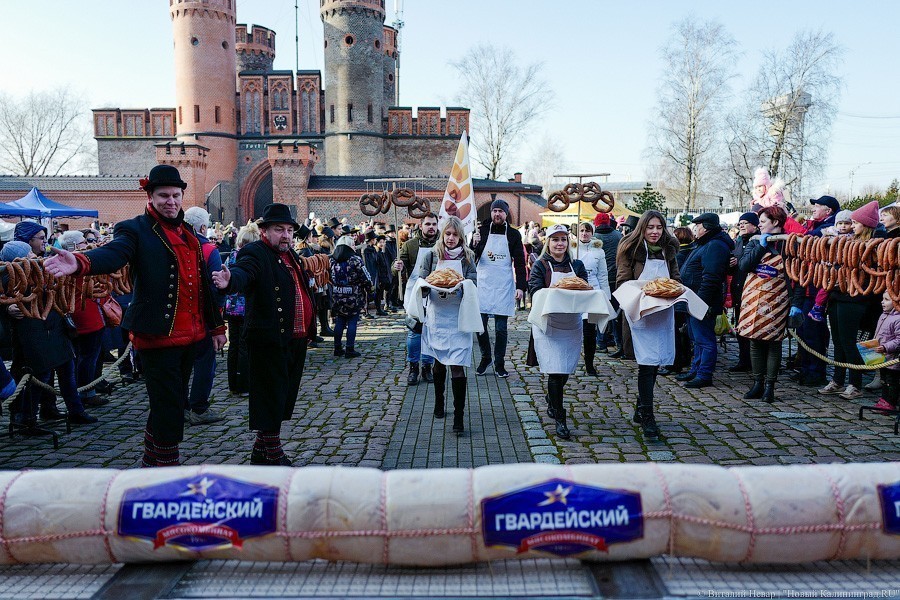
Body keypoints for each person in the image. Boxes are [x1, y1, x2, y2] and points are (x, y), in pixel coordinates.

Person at [44, 164, 227, 467]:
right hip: (157, 335)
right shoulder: (135, 229)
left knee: (172, 402)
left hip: (191, 335)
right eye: (164, 195)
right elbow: (115, 253)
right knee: (169, 407)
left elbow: (203, 287)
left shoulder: (191, 236)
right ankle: (165, 465)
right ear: (150, 196)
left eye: (176, 195)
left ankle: (152, 461)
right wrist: (80, 262)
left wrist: (217, 327)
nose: (171, 201)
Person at [211, 203, 315, 466]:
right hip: (269, 338)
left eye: (289, 230)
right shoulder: (256, 252)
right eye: (279, 229)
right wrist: (230, 281)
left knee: (283, 396)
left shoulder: (291, 255)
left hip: (295, 338)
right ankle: (273, 452)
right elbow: (244, 271)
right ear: (264, 231)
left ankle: (260, 451)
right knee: (270, 397)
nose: (286, 235)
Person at [615, 211, 681, 440]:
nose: (655, 232)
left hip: (662, 313)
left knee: (654, 363)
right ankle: (647, 416)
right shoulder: (630, 249)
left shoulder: (669, 249)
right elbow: (622, 282)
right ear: (642, 228)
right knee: (646, 363)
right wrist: (644, 292)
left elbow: (676, 278)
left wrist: (675, 290)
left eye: (659, 227)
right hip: (640, 313)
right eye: (650, 227)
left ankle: (640, 407)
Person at [527, 224, 589, 439]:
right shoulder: (541, 265)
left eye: (563, 239)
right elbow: (534, 290)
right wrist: (554, 292)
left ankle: (552, 398)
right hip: (548, 324)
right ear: (548, 242)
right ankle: (560, 418)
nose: (560, 243)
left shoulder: (577, 265)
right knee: (555, 370)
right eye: (555, 239)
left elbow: (585, 288)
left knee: (565, 369)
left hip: (571, 324)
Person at [736, 206, 804, 403]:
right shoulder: (754, 241)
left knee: (774, 342)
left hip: (778, 299)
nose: (759, 225)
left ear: (775, 222)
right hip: (753, 299)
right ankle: (757, 383)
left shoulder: (790, 244)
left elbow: (799, 277)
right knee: (754, 340)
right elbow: (744, 265)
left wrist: (796, 303)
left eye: (763, 221)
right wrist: (761, 246)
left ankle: (769, 387)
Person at [418, 216, 478, 434]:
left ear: (461, 237)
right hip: (437, 318)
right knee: (439, 362)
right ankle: (439, 400)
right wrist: (428, 285)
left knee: (457, 365)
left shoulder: (468, 257)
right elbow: (421, 283)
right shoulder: (431, 256)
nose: (451, 238)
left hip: (459, 318)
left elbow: (474, 283)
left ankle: (459, 415)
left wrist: (462, 286)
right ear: (442, 235)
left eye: (455, 235)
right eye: (448, 234)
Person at [818, 201, 882, 400]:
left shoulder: (875, 245)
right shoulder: (847, 242)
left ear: (866, 224)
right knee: (838, 341)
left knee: (849, 342)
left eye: (855, 223)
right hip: (837, 296)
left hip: (856, 300)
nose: (852, 226)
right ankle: (837, 380)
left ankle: (855, 384)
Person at [471, 199, 527, 378]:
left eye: (500, 211)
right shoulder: (481, 231)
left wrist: (521, 287)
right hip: (483, 284)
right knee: (480, 325)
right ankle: (485, 357)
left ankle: (500, 362)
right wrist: (474, 244)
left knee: (501, 329)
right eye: (494, 211)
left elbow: (520, 262)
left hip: (503, 284)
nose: (497, 214)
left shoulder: (513, 234)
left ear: (506, 214)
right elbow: (472, 258)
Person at [678, 212, 734, 388]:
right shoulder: (706, 243)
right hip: (694, 299)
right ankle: (696, 369)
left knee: (704, 339)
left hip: (702, 301)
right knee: (696, 338)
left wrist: (700, 302)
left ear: (707, 228)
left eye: (698, 226)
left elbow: (711, 277)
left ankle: (704, 374)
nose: (695, 229)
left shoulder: (715, 245)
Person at [182, 206, 226, 425]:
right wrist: (217, 320)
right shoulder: (208, 250)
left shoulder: (173, 245)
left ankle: (180, 407)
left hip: (178, 316)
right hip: (202, 317)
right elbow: (216, 286)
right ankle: (199, 407)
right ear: (202, 228)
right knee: (204, 362)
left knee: (181, 364)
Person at [395, 213, 439, 385]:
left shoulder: (442, 244)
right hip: (415, 292)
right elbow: (398, 267)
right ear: (421, 226)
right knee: (414, 331)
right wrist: (397, 266)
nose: (431, 227)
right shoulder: (410, 245)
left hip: (436, 292)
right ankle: (413, 367)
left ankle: (427, 366)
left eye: (434, 224)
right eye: (428, 224)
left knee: (431, 331)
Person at [223, 222, 260, 395]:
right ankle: (244, 384)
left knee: (234, 345)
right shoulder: (252, 258)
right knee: (245, 345)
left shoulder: (231, 256)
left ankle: (233, 384)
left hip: (231, 307)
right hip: (246, 308)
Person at [574, 222, 610, 375]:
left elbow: (602, 275)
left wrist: (605, 296)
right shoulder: (572, 249)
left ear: (592, 233)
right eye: (582, 230)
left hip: (593, 292)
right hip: (575, 292)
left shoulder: (599, 252)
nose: (584, 234)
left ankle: (589, 363)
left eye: (587, 231)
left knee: (590, 332)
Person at [330, 235, 372, 359]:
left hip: (337, 294)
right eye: (353, 244)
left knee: (340, 321)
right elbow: (365, 277)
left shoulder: (332, 259)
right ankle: (349, 348)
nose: (354, 246)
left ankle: (337, 348)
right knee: (352, 321)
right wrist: (370, 289)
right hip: (353, 295)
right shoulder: (355, 259)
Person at [728, 213, 760, 372]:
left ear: (755, 225)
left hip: (753, 290)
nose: (741, 225)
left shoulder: (758, 241)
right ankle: (744, 360)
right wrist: (731, 263)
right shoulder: (739, 241)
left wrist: (739, 261)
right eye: (740, 223)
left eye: (745, 223)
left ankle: (756, 361)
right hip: (738, 289)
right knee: (741, 326)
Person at [593, 212, 623, 354]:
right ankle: (619, 343)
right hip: (616, 277)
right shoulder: (618, 236)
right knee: (615, 311)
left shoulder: (594, 238)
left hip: (601, 279)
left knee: (600, 311)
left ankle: (601, 342)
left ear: (596, 223)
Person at [869, 292, 900, 413]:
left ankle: (890, 403)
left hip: (893, 358)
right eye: (882, 299)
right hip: (883, 357)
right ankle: (884, 400)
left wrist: (886, 347)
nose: (882, 302)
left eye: (886, 299)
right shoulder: (883, 315)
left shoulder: (897, 319)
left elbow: (898, 340)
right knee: (884, 380)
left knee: (891, 381)